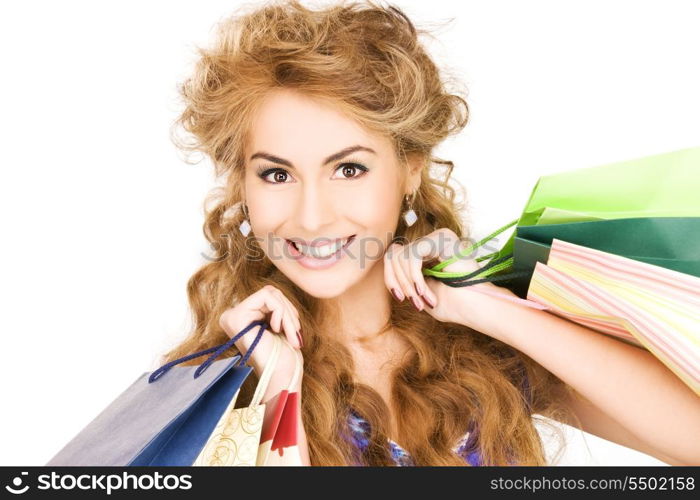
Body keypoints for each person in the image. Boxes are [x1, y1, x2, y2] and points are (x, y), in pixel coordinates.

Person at [159, 0, 700, 466]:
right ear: (241, 185)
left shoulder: (482, 351)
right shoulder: (214, 390)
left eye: (349, 169)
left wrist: (489, 309)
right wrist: (279, 387)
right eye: (277, 174)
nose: (312, 217)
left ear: (411, 168)